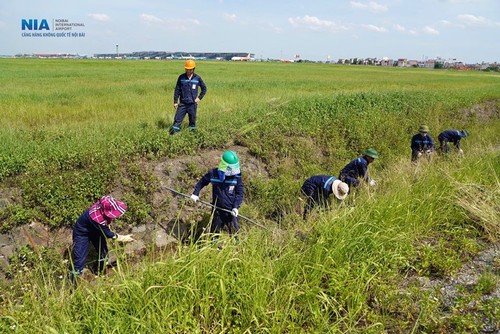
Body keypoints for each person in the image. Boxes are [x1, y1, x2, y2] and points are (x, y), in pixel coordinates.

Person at [70, 195, 134, 282]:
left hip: (95, 230)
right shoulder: (97, 218)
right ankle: (73, 283)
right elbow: (109, 234)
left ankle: (99, 272)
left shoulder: (102, 206)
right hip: (82, 233)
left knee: (103, 251)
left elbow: (106, 225)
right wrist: (124, 238)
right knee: (79, 259)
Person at [190, 150, 244, 239]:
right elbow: (202, 182)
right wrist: (195, 193)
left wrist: (235, 207)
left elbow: (240, 193)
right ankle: (214, 248)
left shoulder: (236, 177)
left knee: (235, 234)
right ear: (224, 165)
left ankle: (238, 249)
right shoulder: (213, 174)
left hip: (231, 212)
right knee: (214, 234)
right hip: (217, 210)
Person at [170, 59, 207, 134]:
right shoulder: (181, 77)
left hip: (192, 104)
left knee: (192, 121)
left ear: (193, 69)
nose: (188, 71)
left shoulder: (197, 78)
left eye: (190, 69)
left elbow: (204, 88)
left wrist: (199, 98)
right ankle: (174, 136)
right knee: (177, 120)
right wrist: (175, 102)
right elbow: (177, 90)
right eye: (187, 69)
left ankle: (191, 136)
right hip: (183, 104)